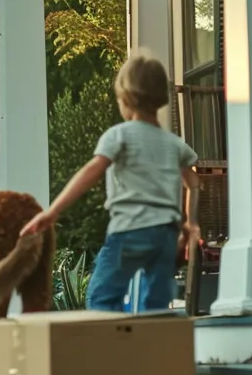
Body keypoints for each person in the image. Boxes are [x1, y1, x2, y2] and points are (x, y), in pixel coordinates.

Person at [19, 52, 201, 312]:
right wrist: (191, 223)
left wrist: (52, 212)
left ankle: (112, 349)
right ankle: (150, 350)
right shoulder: (173, 144)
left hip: (129, 232)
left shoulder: (118, 136)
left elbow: (91, 172)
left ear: (126, 99)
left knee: (101, 298)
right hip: (165, 236)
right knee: (155, 307)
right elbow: (193, 183)